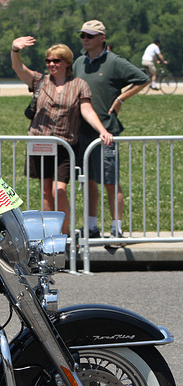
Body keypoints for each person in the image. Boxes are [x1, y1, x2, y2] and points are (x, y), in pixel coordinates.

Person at [11, 36, 112, 234]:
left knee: (60, 190)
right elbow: (19, 69)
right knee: (46, 192)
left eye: (56, 60)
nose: (51, 64)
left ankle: (64, 234)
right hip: (39, 143)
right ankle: (51, 235)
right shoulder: (40, 81)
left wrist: (103, 130)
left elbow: (87, 110)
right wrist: (15, 50)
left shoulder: (79, 85)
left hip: (65, 145)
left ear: (66, 62)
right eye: (48, 60)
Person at [73, 20, 149, 241]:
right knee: (87, 180)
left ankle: (117, 229)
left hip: (106, 132)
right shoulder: (79, 62)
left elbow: (142, 79)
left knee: (110, 180)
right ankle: (91, 227)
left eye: (90, 35)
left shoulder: (115, 62)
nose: (85, 39)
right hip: (82, 132)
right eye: (83, 35)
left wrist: (121, 98)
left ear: (102, 38)